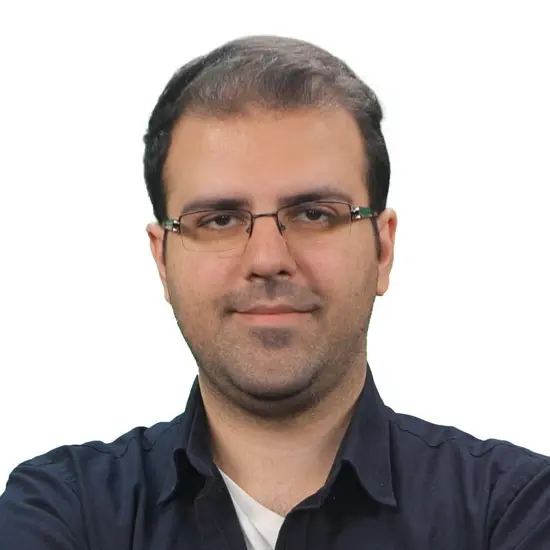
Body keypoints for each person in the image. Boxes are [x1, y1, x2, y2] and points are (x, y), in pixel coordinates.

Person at [1, 35, 548, 550]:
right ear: (162, 260)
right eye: (219, 219)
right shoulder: (65, 508)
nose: (267, 260)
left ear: (382, 249)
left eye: (315, 214)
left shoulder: (513, 509)